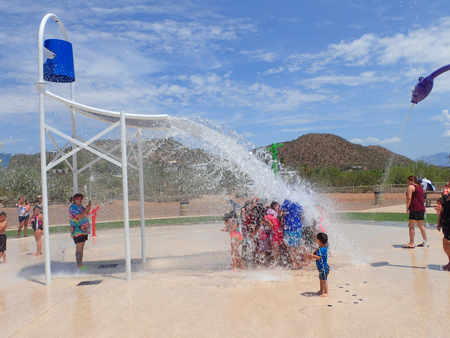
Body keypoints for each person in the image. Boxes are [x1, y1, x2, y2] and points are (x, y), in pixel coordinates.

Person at [404, 175, 427, 248]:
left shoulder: (411, 187)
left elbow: (409, 198)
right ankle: (425, 242)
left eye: (408, 181)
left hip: (414, 208)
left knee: (411, 226)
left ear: (411, 181)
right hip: (421, 208)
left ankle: (411, 243)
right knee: (421, 226)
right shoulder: (420, 187)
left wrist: (407, 207)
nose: (407, 183)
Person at [69, 193, 91, 269]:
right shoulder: (72, 207)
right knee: (79, 247)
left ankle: (81, 264)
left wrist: (88, 207)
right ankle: (79, 265)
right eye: (78, 199)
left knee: (81, 247)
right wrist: (86, 210)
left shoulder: (80, 206)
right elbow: (79, 217)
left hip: (83, 229)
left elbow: (86, 213)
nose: (80, 200)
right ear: (74, 199)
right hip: (77, 230)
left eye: (81, 199)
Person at [282, 200, 304, 269]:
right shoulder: (298, 202)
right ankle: (297, 262)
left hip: (289, 227)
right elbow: (302, 216)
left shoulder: (286, 201)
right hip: (298, 227)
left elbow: (283, 214)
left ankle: (295, 263)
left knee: (290, 247)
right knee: (296, 246)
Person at [307, 232, 330, 297]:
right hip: (321, 268)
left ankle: (326, 292)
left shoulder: (322, 249)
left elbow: (319, 257)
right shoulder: (321, 248)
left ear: (319, 241)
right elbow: (317, 252)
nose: (315, 240)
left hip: (324, 268)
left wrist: (312, 256)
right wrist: (314, 253)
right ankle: (321, 290)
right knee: (321, 279)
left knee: (324, 280)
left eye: (316, 239)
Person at [436, 184, 450, 271]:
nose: (446, 188)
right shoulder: (445, 198)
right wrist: (439, 223)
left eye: (448, 187)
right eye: (446, 186)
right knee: (445, 244)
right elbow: (441, 211)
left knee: (447, 243)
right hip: (445, 223)